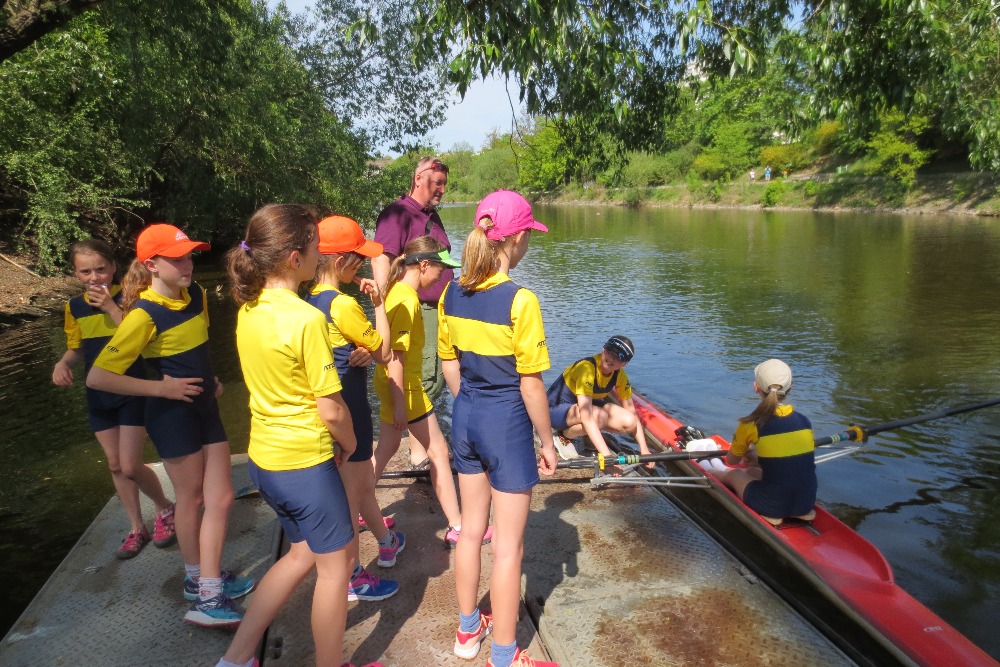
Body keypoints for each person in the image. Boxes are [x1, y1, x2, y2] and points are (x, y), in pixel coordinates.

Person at [219, 204, 381, 667]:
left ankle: (235, 658)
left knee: (298, 556)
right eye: (313, 247)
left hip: (265, 461)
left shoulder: (249, 309)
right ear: (295, 258)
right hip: (305, 466)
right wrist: (351, 446)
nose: (318, 254)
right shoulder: (306, 319)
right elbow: (331, 409)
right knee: (336, 569)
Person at [87, 224, 253, 628]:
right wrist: (161, 388)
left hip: (205, 409)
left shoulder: (196, 295)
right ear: (151, 265)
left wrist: (211, 379)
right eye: (176, 259)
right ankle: (202, 587)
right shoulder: (143, 314)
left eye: (189, 255)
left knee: (222, 497)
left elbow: (197, 349)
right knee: (191, 499)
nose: (187, 264)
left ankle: (205, 579)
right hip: (171, 416)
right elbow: (98, 377)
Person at [439, 190, 559, 667]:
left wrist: (469, 406)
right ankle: (506, 656)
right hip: (505, 423)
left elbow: (449, 364)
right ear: (517, 238)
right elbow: (531, 385)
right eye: (529, 234)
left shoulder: (451, 292)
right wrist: (547, 441)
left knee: (471, 531)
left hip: (466, 415)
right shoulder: (520, 300)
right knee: (508, 548)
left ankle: (468, 630)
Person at [52, 239, 175, 559]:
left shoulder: (133, 298)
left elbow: (142, 339)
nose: (94, 277)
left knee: (131, 464)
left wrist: (111, 308)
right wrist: (63, 363)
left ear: (113, 267)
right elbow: (77, 348)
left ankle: (164, 507)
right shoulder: (74, 307)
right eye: (86, 272)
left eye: (101, 269)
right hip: (98, 394)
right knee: (115, 465)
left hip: (132, 389)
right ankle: (137, 527)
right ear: (76, 273)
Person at [305, 215, 403, 603]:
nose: (362, 264)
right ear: (339, 260)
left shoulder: (311, 299)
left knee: (359, 485)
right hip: (351, 407)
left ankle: (386, 540)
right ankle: (352, 575)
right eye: (358, 257)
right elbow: (384, 352)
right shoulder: (343, 304)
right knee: (351, 494)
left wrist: (355, 349)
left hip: (331, 402)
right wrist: (378, 304)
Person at [372, 235, 490, 548]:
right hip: (405, 387)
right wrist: (400, 404)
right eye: (440, 268)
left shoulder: (396, 291)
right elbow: (395, 357)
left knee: (387, 446)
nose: (443, 275)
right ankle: (457, 525)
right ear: (424, 265)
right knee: (438, 451)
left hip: (389, 382)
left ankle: (358, 507)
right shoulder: (408, 300)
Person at [372, 157, 452, 470]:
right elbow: (383, 258)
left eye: (444, 184)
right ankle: (420, 454)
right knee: (424, 376)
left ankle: (421, 448)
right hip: (416, 309)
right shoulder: (397, 213)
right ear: (418, 178)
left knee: (434, 376)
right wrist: (383, 307)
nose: (441, 189)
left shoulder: (431, 215)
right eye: (437, 183)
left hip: (435, 308)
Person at [709, 359, 817, 526]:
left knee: (734, 474)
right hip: (806, 503)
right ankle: (797, 510)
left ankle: (706, 470)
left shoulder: (750, 424)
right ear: (791, 387)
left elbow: (731, 461)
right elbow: (783, 458)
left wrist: (746, 453)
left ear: (756, 387)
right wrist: (754, 458)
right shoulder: (804, 421)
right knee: (753, 471)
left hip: (771, 506)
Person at [546, 335, 652, 467]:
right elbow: (587, 416)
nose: (611, 358)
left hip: (580, 407)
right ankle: (564, 436)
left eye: (619, 357)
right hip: (554, 410)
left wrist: (644, 449)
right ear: (603, 350)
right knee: (599, 417)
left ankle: (584, 434)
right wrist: (607, 457)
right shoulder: (586, 368)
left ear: (625, 363)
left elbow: (632, 411)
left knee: (629, 422)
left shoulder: (620, 375)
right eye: (609, 351)